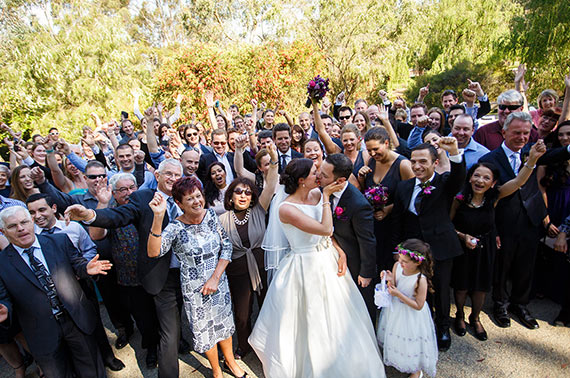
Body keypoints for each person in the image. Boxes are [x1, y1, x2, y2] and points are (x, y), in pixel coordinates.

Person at [249, 158, 386, 378]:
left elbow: (328, 236)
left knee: (341, 316)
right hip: (303, 265)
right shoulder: (286, 208)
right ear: (302, 181)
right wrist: (326, 197)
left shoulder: (315, 194)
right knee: (310, 319)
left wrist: (340, 250)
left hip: (328, 259)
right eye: (315, 173)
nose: (319, 177)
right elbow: (324, 227)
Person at [64, 159, 188, 378]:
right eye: (168, 174)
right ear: (157, 176)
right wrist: (90, 215)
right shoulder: (142, 198)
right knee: (167, 331)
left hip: (188, 273)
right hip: (161, 274)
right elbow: (118, 216)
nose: (173, 179)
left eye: (177, 175)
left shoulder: (186, 195)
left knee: (180, 322)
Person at [147, 176, 247, 378]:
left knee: (224, 326)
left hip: (219, 284)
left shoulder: (211, 215)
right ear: (179, 203)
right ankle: (217, 370)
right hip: (196, 291)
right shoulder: (175, 227)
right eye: (189, 198)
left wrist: (216, 277)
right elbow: (154, 252)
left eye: (198, 196)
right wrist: (158, 218)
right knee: (206, 332)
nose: (196, 201)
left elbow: (226, 246)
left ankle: (230, 362)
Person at [479, 112, 570, 330]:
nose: (521, 137)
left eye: (526, 133)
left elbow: (555, 154)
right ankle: (500, 304)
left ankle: (520, 304)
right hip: (504, 221)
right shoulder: (490, 160)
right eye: (517, 132)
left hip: (531, 220)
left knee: (526, 265)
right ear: (504, 132)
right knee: (502, 266)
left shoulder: (532, 152)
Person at [0, 206, 112, 378]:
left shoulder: (59, 241)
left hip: (76, 320)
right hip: (41, 332)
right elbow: (4, 298)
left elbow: (78, 264)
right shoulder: (2, 264)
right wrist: (5, 309)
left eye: (24, 222)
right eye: (13, 226)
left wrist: (86, 268)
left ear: (32, 223)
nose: (21, 228)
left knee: (93, 370)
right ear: (3, 231)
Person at [451, 141, 545, 342]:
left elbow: (519, 182)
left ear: (493, 183)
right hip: (463, 248)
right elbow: (448, 225)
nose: (480, 180)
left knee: (481, 287)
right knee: (461, 287)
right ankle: (459, 316)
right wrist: (463, 237)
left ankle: (475, 318)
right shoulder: (459, 199)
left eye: (486, 178)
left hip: (485, 249)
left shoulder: (495, 197)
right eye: (476, 175)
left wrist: (533, 160)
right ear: (469, 178)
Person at [391, 138, 466, 351]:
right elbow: (397, 219)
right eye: (413, 162)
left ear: (435, 163)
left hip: (441, 247)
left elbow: (459, 178)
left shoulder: (444, 183)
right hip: (413, 250)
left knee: (441, 289)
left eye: (423, 161)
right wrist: (398, 250)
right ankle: (422, 325)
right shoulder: (404, 186)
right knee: (416, 288)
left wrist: (454, 154)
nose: (417, 166)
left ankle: (443, 327)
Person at [86, 173, 160, 368]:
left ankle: (174, 341)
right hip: (131, 278)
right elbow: (96, 234)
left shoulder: (149, 207)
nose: (128, 193)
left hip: (156, 273)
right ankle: (151, 347)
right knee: (144, 318)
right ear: (114, 194)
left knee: (164, 312)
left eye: (132, 187)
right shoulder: (112, 213)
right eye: (122, 190)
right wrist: (102, 203)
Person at [219, 143, 278, 359]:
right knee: (242, 315)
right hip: (237, 273)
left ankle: (268, 343)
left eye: (247, 193)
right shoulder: (221, 220)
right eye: (238, 192)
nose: (243, 196)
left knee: (267, 309)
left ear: (252, 196)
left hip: (262, 267)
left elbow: (271, 185)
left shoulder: (259, 209)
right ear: (231, 196)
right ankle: (244, 345)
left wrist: (273, 161)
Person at [318, 154, 378, 321]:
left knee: (363, 305)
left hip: (355, 262)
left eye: (324, 175)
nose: (318, 176)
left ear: (340, 180)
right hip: (332, 256)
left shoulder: (359, 205)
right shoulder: (323, 191)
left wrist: (366, 273)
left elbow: (368, 241)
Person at [377, 239, 438, 378]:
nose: (400, 262)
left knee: (411, 340)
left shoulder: (420, 279)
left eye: (405, 261)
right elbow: (395, 283)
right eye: (400, 258)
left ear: (417, 262)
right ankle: (399, 357)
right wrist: (389, 278)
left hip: (411, 315)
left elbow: (418, 305)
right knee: (397, 335)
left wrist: (398, 294)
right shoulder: (397, 266)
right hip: (396, 311)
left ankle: (416, 370)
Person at [356, 127, 414, 272]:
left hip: (396, 227)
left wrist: (388, 209)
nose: (372, 153)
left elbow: (412, 197)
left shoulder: (403, 165)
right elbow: (366, 191)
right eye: (369, 150)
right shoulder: (371, 161)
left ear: (387, 143)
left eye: (376, 149)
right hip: (375, 225)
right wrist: (361, 178)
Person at [474, 89, 539, 151]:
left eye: (512, 107)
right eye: (502, 107)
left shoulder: (532, 134)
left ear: (521, 109)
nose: (506, 111)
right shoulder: (483, 133)